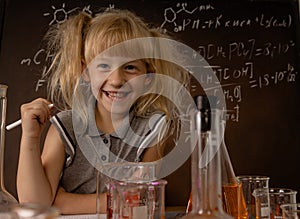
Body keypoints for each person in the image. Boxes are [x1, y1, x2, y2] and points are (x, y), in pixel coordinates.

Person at [16, 9, 190, 214]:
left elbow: (138, 203)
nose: (116, 81)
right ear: (85, 71)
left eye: (131, 68)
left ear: (148, 78)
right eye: (104, 65)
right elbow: (35, 205)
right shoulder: (66, 127)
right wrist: (30, 137)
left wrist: (61, 202)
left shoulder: (152, 130)